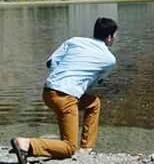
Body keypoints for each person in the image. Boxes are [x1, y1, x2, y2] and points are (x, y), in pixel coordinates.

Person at [10, 17, 118, 164]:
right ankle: (26, 144)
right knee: (69, 148)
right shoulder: (109, 59)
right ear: (110, 37)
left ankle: (86, 147)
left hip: (48, 91)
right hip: (66, 97)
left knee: (94, 103)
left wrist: (59, 80)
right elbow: (96, 81)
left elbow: (51, 62)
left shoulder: (74, 41)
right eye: (115, 35)